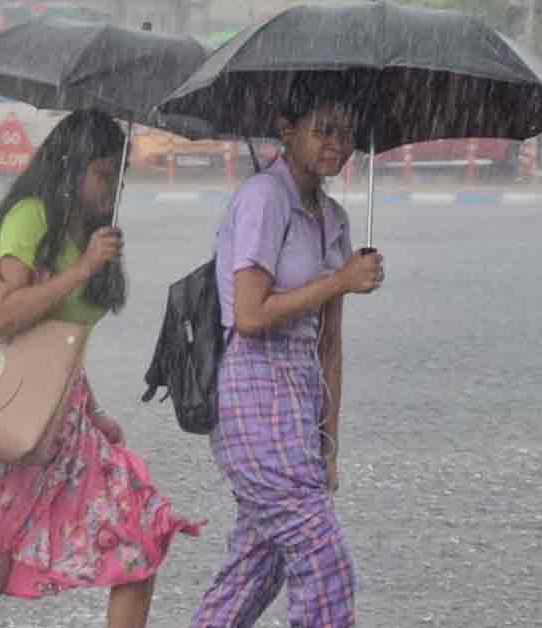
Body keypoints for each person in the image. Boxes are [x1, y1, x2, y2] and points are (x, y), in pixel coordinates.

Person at [0, 109, 201, 628]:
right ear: (71, 166)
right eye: (103, 172)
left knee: (137, 543)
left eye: (119, 173)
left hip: (67, 422)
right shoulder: (31, 218)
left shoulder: (92, 229)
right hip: (15, 422)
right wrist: (83, 268)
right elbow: (6, 316)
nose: (112, 186)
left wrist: (94, 411)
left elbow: (61, 343)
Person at [188, 82, 384, 628]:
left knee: (256, 569)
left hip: (299, 399)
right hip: (251, 393)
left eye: (346, 134)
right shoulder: (263, 199)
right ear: (286, 130)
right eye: (323, 130)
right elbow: (249, 315)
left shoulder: (334, 219)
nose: (336, 145)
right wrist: (338, 280)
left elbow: (329, 342)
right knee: (323, 559)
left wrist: (329, 443)